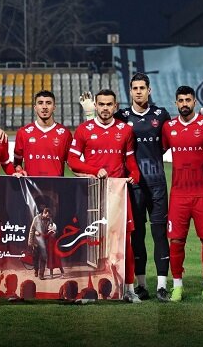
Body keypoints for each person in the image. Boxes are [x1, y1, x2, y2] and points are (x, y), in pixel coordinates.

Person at [80, 73, 172, 302]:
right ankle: (141, 285)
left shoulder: (161, 115)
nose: (139, 91)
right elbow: (100, 125)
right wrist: (89, 112)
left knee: (160, 234)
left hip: (157, 183)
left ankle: (162, 285)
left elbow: (172, 142)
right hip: (132, 185)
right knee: (136, 235)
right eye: (135, 88)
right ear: (130, 91)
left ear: (149, 90)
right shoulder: (122, 115)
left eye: (142, 88)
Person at [67, 89, 141, 303]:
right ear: (96, 106)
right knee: (91, 242)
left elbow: (130, 160)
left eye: (109, 104)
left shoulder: (125, 130)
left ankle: (129, 289)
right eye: (101, 104)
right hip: (93, 193)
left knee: (124, 241)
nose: (105, 108)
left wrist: (135, 174)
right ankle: (89, 290)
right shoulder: (84, 130)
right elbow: (72, 160)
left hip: (118, 194)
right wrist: (94, 170)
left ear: (115, 106)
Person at [161, 85, 203, 303]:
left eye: (188, 100)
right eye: (181, 100)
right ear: (176, 103)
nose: (184, 104)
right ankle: (177, 287)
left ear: (195, 102)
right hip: (179, 195)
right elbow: (156, 152)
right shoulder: (169, 127)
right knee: (176, 240)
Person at [14, 90, 72, 177]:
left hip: (57, 185)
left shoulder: (65, 134)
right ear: (35, 107)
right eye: (40, 103)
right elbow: (17, 163)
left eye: (48, 103)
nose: (44, 107)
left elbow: (72, 163)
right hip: (30, 185)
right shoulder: (23, 132)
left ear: (54, 107)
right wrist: (19, 170)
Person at [28, 208, 53, 280]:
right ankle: (36, 270)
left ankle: (41, 274)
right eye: (47, 215)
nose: (48, 217)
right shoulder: (36, 219)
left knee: (43, 258)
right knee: (35, 258)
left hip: (44, 243)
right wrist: (30, 242)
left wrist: (50, 232)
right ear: (44, 213)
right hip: (36, 242)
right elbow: (32, 230)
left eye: (49, 216)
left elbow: (52, 229)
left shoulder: (50, 220)